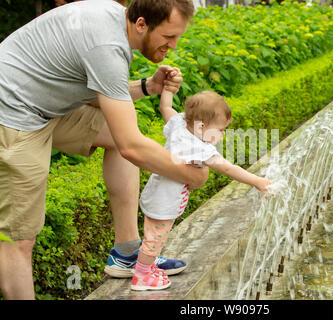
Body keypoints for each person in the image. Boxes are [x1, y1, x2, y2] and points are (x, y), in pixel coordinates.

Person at [0, 0, 207, 299]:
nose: (173, 46)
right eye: (168, 37)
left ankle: (126, 252)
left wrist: (149, 86)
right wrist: (191, 173)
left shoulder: (114, 18)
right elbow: (132, 146)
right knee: (17, 241)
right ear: (141, 24)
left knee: (114, 130)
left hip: (41, 105)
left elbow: (99, 95)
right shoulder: (107, 47)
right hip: (13, 116)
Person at [131, 88, 272, 290]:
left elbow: (166, 107)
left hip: (156, 192)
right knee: (154, 240)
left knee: (154, 237)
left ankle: (147, 268)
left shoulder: (180, 126)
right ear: (202, 126)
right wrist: (256, 181)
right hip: (164, 200)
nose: (223, 134)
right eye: (221, 129)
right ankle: (142, 276)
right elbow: (228, 168)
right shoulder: (198, 147)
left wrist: (168, 90)